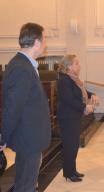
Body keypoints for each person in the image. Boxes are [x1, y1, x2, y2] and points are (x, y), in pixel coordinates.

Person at [0, 23, 51, 192]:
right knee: (26, 186)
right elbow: (12, 108)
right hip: (28, 139)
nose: (45, 45)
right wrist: (3, 137)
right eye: (44, 40)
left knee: (26, 182)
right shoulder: (21, 68)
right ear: (36, 42)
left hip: (29, 138)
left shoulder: (24, 65)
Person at [57, 54, 98, 182]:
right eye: (76, 63)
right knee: (70, 145)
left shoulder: (74, 79)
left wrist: (92, 94)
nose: (78, 65)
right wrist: (84, 107)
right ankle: (69, 173)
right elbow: (69, 100)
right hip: (68, 118)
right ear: (69, 66)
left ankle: (72, 170)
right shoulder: (64, 80)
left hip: (73, 116)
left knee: (74, 144)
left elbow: (81, 91)